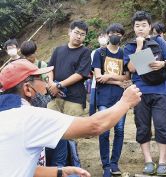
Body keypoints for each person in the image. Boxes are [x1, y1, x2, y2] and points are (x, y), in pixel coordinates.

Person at [0, 59, 142, 177]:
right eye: (41, 79)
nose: (46, 84)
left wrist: (60, 171)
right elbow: (94, 126)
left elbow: (24, 167)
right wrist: (125, 102)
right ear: (27, 89)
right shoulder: (29, 117)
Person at [123, 11, 166, 176]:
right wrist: (138, 47)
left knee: (162, 125)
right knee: (142, 127)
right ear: (133, 28)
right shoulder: (129, 46)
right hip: (140, 92)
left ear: (150, 26)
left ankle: (163, 162)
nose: (140, 28)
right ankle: (148, 161)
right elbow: (131, 69)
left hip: (160, 90)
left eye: (144, 25)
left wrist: (162, 63)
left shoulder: (160, 42)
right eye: (137, 26)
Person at [46, 20, 91, 167]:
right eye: (76, 32)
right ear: (69, 32)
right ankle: (56, 166)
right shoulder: (58, 50)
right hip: (54, 98)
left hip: (74, 99)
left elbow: (80, 74)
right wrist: (52, 84)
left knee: (70, 134)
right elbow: (49, 68)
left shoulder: (85, 52)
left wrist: (59, 84)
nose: (78, 36)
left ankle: (73, 166)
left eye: (82, 34)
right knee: (52, 131)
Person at [92, 23, 130, 177]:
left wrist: (109, 76)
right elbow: (98, 76)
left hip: (121, 98)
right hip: (104, 98)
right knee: (104, 131)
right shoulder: (99, 53)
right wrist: (116, 81)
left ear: (122, 36)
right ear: (107, 34)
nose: (116, 35)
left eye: (119, 33)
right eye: (113, 32)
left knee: (119, 130)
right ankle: (106, 165)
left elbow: (127, 77)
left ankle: (114, 163)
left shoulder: (123, 53)